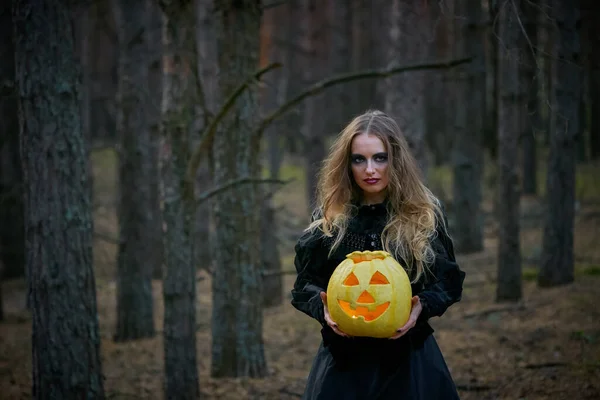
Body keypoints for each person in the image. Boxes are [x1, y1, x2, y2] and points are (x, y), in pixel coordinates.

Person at [291, 110, 466, 400]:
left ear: (395, 160)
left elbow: (447, 281)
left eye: (380, 158)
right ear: (347, 164)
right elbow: (305, 284)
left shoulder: (423, 214)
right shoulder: (331, 220)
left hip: (409, 363)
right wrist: (321, 308)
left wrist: (420, 307)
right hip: (344, 366)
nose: (370, 169)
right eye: (359, 159)